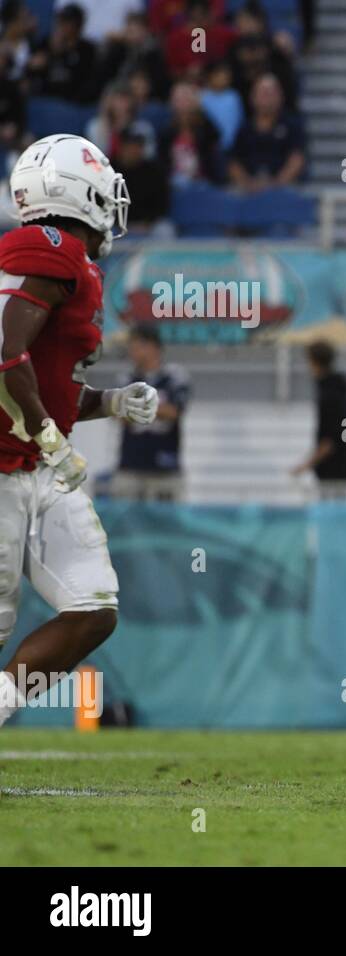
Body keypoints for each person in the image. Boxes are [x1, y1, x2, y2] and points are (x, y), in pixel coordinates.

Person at [0, 134, 159, 729]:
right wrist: (47, 436)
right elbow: (3, 351)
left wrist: (111, 402)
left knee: (93, 610)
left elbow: (44, 383)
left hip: (37, 466)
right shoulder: (53, 249)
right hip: (7, 464)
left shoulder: (72, 263)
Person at [112, 325, 189, 500]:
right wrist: (155, 408)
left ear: (152, 347)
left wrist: (137, 406)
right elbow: (118, 414)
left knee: (165, 523)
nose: (132, 352)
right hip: (130, 465)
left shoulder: (174, 376)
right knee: (126, 523)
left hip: (165, 467)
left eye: (136, 346)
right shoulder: (126, 378)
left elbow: (174, 411)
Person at [291, 341, 346, 500]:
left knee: (331, 514)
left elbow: (331, 438)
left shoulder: (329, 394)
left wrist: (306, 465)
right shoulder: (340, 389)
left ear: (314, 362)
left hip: (333, 468)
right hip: (343, 464)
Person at [228, 73, 306, 191]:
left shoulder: (292, 125)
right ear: (252, 97)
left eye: (271, 93)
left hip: (284, 189)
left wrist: (278, 184)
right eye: (263, 93)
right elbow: (234, 162)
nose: (267, 98)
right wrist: (247, 184)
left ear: (281, 96)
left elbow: (297, 159)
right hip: (249, 190)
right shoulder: (244, 128)